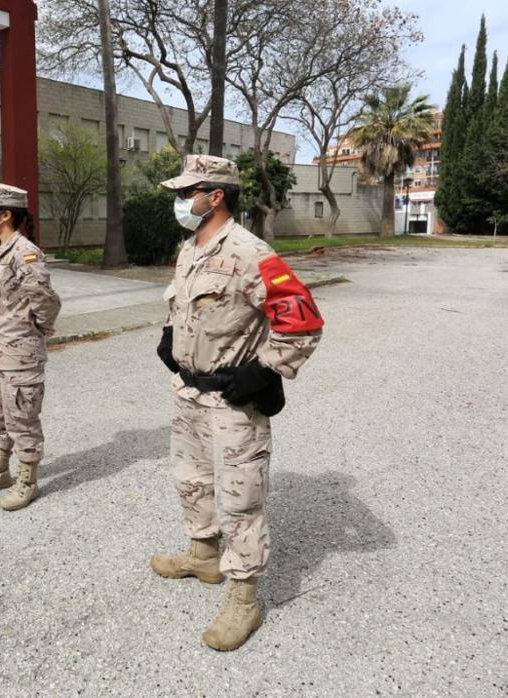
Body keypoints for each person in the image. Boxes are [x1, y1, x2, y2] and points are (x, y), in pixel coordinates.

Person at [150, 155, 324, 651]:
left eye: (187, 193)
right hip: (187, 392)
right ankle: (202, 554)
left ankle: (244, 598)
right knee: (191, 479)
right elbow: (182, 305)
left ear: (216, 195)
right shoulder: (190, 249)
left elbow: (303, 321)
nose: (181, 202)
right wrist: (168, 336)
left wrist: (264, 368)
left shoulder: (251, 251)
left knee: (241, 499)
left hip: (232, 399)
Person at [0, 182, 61, 511]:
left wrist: (37, 332)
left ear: (4, 215)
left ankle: (28, 480)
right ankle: (0, 471)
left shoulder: (26, 253)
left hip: (20, 354)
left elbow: (46, 302)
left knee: (23, 418)